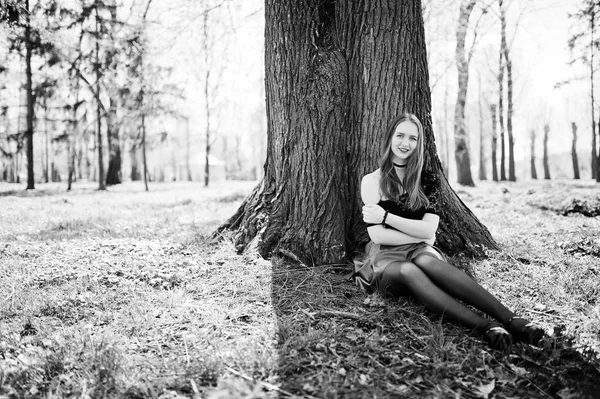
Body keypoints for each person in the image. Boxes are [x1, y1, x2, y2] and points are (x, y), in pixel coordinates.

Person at [353, 112, 545, 351]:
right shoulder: (372, 181)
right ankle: (485, 327)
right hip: (385, 258)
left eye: (412, 138)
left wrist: (386, 217)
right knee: (409, 270)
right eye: (400, 135)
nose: (405, 143)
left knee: (430, 263)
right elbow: (379, 236)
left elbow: (430, 230)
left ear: (419, 143)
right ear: (390, 138)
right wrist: (420, 233)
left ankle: (512, 320)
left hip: (420, 250)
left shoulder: (428, 180)